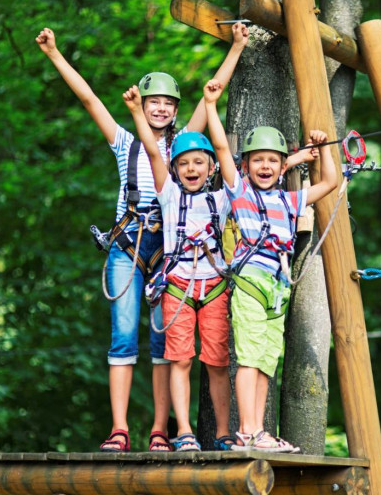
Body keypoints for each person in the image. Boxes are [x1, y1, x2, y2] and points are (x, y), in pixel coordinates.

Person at [35, 23, 248, 452]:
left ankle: (159, 429)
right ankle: (119, 428)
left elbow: (214, 93)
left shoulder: (187, 146)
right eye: (154, 102)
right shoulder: (126, 143)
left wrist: (238, 46)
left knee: (163, 345)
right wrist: (55, 54)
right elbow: (89, 99)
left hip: (171, 253)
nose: (161, 108)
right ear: (143, 105)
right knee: (123, 335)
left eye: (168, 103)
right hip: (128, 246)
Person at [206, 79, 337, 452]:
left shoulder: (290, 200)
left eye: (273, 161)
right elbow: (219, 146)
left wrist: (323, 148)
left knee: (266, 360)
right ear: (245, 165)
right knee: (248, 355)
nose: (265, 166)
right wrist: (212, 106)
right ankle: (247, 430)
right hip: (250, 281)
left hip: (277, 288)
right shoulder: (240, 191)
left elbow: (329, 181)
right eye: (258, 160)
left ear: (283, 167)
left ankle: (258, 430)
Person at [124, 84, 233, 452]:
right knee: (180, 358)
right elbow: (154, 153)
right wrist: (139, 111)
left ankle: (222, 433)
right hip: (177, 287)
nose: (191, 169)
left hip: (214, 287)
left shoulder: (223, 198)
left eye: (199, 163)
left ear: (211, 168)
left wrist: (213, 106)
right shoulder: (168, 194)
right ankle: (184, 430)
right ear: (174, 170)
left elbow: (222, 150)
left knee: (218, 362)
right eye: (184, 163)